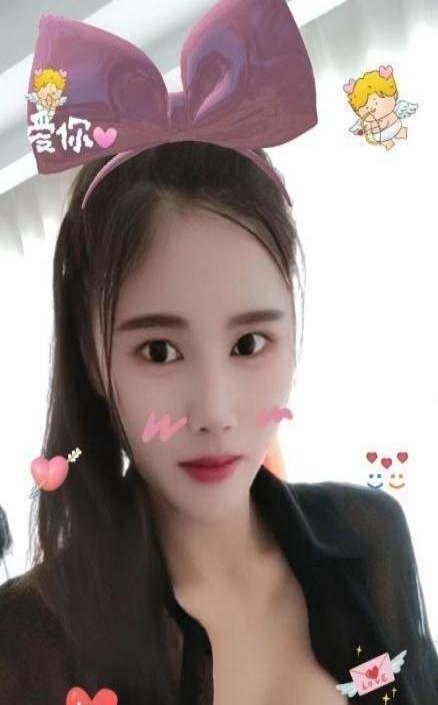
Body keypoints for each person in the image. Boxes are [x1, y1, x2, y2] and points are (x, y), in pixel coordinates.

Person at [1, 3, 438, 705]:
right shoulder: (27, 643)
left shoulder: (370, 538)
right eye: (159, 350)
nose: (215, 410)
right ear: (91, 354)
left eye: (248, 343)